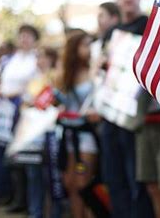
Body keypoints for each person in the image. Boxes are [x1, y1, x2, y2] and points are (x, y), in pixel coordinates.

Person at [100, 0, 154, 218]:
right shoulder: (111, 33)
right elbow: (100, 69)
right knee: (114, 176)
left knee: (137, 178)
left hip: (137, 117)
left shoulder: (150, 26)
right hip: (110, 115)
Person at [0, 24, 39, 210]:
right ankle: (13, 195)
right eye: (22, 36)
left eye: (28, 36)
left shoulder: (36, 59)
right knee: (10, 156)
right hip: (5, 112)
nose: (24, 39)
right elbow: (5, 82)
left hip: (24, 111)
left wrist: (13, 94)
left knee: (23, 157)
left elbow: (34, 86)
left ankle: (25, 200)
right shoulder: (12, 59)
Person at [55, 30, 99, 218]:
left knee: (84, 183)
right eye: (84, 44)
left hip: (86, 136)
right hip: (67, 135)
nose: (88, 49)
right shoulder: (64, 74)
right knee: (70, 183)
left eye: (89, 44)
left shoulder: (95, 71)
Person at [22, 46, 59, 218]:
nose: (40, 61)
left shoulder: (57, 77)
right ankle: (35, 212)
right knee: (33, 175)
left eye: (43, 57)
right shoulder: (33, 79)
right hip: (32, 133)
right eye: (38, 57)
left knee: (51, 177)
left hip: (51, 133)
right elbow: (26, 103)